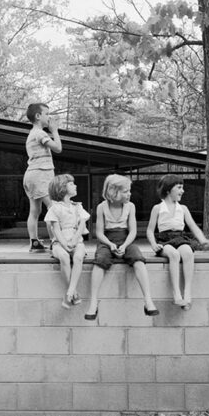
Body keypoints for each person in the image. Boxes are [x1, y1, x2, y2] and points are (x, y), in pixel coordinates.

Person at [84, 174, 158, 321]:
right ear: (113, 192)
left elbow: (133, 231)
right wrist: (110, 245)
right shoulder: (101, 207)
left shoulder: (130, 207)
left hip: (126, 239)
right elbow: (98, 232)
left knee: (138, 259)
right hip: (107, 240)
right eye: (125, 191)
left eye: (129, 190)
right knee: (100, 261)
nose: (129, 194)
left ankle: (148, 300)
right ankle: (93, 302)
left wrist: (124, 245)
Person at [146, 174, 209, 311]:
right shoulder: (158, 208)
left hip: (180, 238)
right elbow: (149, 230)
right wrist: (154, 244)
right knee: (174, 255)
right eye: (179, 187)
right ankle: (176, 293)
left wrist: (203, 240)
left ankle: (187, 292)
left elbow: (193, 227)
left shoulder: (183, 208)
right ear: (168, 189)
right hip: (164, 240)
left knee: (188, 252)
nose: (182, 191)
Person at [44, 173, 89, 309]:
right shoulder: (55, 208)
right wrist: (64, 244)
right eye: (71, 184)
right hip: (59, 242)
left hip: (77, 241)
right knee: (63, 256)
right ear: (62, 188)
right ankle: (74, 292)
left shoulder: (78, 207)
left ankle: (69, 292)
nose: (75, 186)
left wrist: (74, 241)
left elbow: (82, 225)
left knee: (78, 256)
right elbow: (56, 229)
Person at [23, 102, 62, 252]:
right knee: (53, 208)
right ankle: (55, 241)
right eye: (47, 114)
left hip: (31, 175)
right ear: (38, 116)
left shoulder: (32, 134)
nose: (49, 117)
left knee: (35, 211)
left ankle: (34, 242)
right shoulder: (40, 133)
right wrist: (55, 131)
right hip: (40, 174)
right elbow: (58, 148)